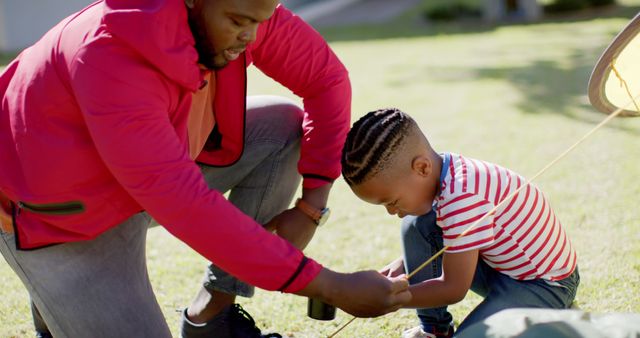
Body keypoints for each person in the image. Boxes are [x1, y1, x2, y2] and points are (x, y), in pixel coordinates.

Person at [0, 0, 412, 337]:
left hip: (147, 173)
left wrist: (312, 205)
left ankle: (211, 319)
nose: (249, 35)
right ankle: (56, 307)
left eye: (260, 20)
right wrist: (332, 286)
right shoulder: (110, 54)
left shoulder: (237, 11)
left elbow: (326, 79)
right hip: (56, 218)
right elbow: (184, 205)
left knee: (281, 129)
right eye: (238, 22)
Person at [340, 108, 580, 338]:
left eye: (392, 201)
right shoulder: (441, 171)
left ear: (422, 167)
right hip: (500, 268)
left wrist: (390, 299)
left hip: (544, 285)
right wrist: (406, 266)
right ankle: (434, 330)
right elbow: (451, 237)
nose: (391, 211)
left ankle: (554, 313)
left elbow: (454, 288)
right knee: (416, 224)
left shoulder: (462, 195)